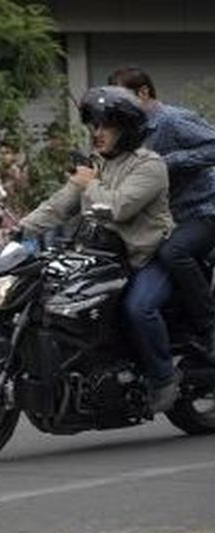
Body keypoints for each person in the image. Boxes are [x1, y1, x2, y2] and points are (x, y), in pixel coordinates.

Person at [18, 86, 178, 414]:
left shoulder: (149, 165)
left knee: (139, 308)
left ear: (127, 130)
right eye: (96, 125)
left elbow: (119, 207)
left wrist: (88, 183)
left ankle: (164, 378)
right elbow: (61, 205)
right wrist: (21, 228)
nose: (98, 133)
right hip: (106, 258)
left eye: (107, 126)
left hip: (147, 258)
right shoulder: (98, 165)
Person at [110, 67, 215, 355]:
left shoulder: (172, 120)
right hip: (168, 219)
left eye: (124, 98)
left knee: (173, 252)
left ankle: (209, 324)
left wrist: (169, 162)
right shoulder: (133, 132)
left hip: (203, 208)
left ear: (143, 92)